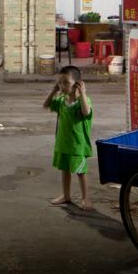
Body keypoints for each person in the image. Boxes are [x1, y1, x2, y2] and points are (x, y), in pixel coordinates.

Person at [43, 65, 93, 210]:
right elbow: (46, 105)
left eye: (66, 82)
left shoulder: (83, 101)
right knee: (65, 171)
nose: (62, 86)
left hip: (77, 145)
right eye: (60, 82)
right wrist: (54, 90)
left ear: (77, 84)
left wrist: (82, 93)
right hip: (63, 143)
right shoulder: (61, 100)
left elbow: (86, 112)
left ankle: (86, 198)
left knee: (80, 172)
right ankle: (66, 195)